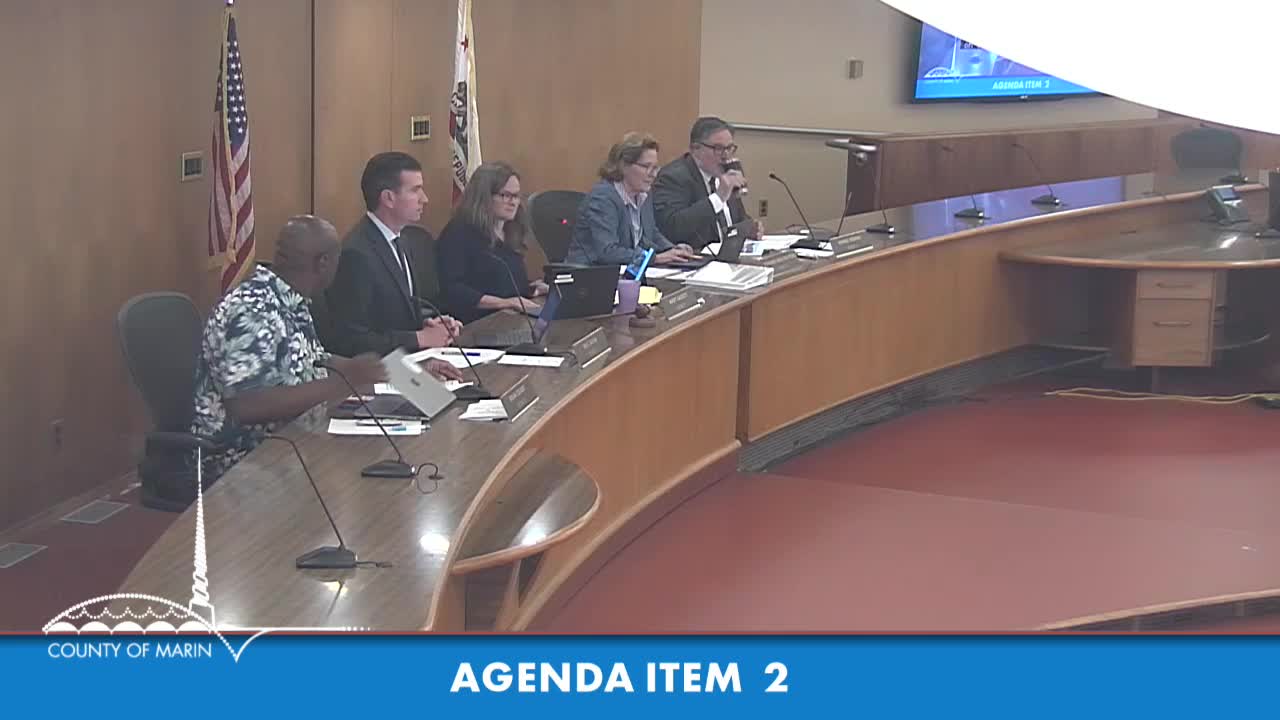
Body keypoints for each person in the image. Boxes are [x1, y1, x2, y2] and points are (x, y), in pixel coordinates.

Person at [191, 215, 465, 482]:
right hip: (243, 459)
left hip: (296, 439)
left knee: (393, 457)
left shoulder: (290, 299)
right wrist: (343, 383)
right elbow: (247, 405)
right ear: (323, 263)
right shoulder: (250, 310)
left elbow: (317, 360)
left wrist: (408, 373)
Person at [325, 152, 463, 356]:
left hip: (410, 360)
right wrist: (418, 338)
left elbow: (393, 315)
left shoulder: (402, 239)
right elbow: (351, 340)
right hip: (380, 369)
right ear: (388, 198)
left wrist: (429, 325)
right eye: (415, 190)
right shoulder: (356, 254)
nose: (424, 199)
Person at [564, 132, 700, 267]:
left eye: (655, 168)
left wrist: (672, 249)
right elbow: (607, 252)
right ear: (623, 166)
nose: (653, 174)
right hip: (591, 273)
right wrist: (654, 258)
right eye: (646, 167)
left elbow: (651, 234)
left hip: (627, 271)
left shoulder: (644, 194)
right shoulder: (602, 198)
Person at [435, 162, 548, 323]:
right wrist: (505, 303)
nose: (513, 202)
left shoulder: (510, 231)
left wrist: (532, 289)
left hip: (507, 320)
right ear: (485, 197)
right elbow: (453, 290)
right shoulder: (459, 232)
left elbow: (505, 285)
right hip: (472, 324)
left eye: (516, 196)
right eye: (505, 195)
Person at [651, 116, 764, 250]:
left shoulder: (723, 174)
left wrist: (749, 228)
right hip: (694, 257)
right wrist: (718, 198)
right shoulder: (673, 177)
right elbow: (673, 228)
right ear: (695, 149)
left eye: (729, 148)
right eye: (718, 148)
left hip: (730, 256)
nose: (726, 155)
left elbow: (738, 219)